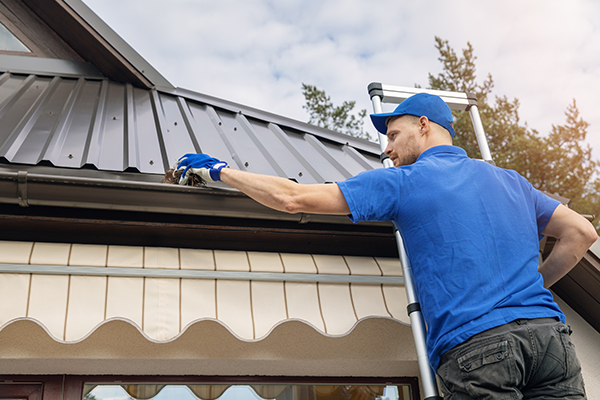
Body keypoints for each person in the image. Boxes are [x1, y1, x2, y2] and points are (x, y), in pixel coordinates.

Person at [175, 93, 597, 399]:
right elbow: (581, 233)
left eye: (394, 134)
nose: (387, 148)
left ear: (425, 126)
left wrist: (220, 171)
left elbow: (293, 198)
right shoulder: (511, 181)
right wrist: (530, 287)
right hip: (550, 343)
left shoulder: (405, 182)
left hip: (479, 348)